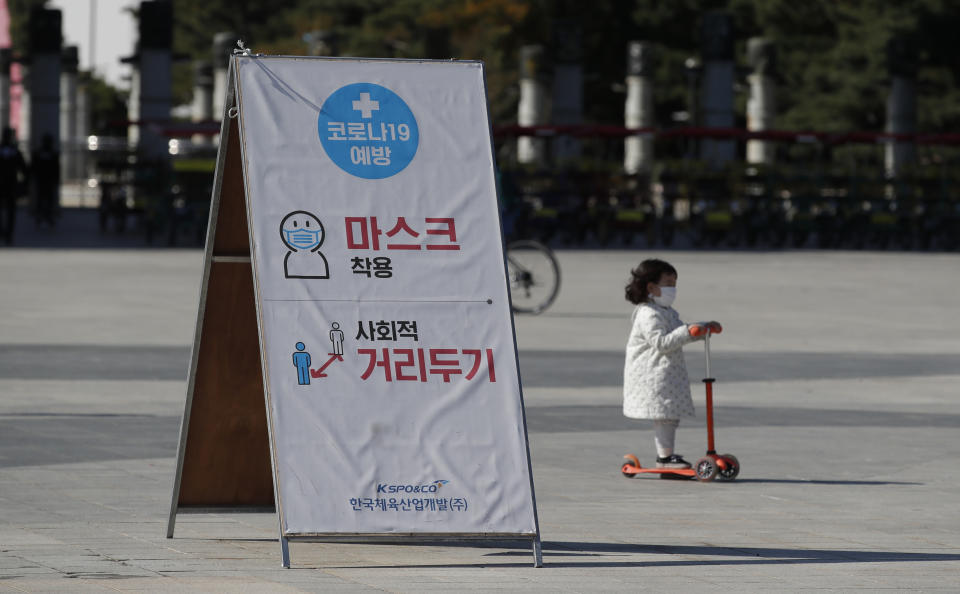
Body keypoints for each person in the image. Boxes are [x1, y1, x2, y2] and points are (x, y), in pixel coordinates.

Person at [622, 258, 720, 470]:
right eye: (668, 284)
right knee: (664, 416)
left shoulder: (666, 311)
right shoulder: (648, 314)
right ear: (651, 287)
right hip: (651, 375)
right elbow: (662, 342)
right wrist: (687, 332)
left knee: (669, 416)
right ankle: (665, 458)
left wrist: (701, 329)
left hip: (665, 374)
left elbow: (679, 332)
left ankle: (666, 456)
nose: (673, 290)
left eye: (675, 285)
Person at [0, 127, 29, 244]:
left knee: (11, 211)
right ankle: (3, 231)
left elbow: (23, 169)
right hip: (1, 184)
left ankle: (9, 233)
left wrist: (23, 185)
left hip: (11, 185)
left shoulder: (15, 151)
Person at [31, 134, 60, 228]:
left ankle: (46, 216)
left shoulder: (49, 153)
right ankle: (42, 216)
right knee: (43, 199)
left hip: (46, 180)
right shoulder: (42, 153)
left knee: (47, 199)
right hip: (43, 180)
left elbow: (56, 168)